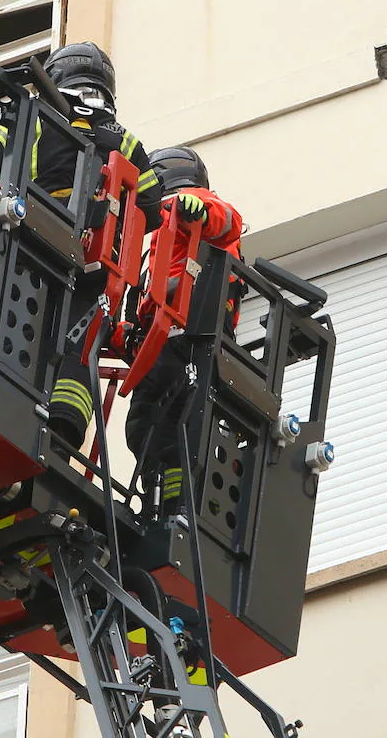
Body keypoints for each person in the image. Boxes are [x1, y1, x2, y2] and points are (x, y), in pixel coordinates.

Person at [0, 41, 163, 458]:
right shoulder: (123, 140)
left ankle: (1, 400)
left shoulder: (30, 117)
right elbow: (150, 205)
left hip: (32, 244)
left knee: (22, 326)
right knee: (80, 344)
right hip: (96, 260)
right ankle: (62, 434)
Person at [123, 146, 244, 517]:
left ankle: (181, 500)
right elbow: (141, 290)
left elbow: (227, 222)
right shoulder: (153, 238)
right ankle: (158, 495)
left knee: (185, 419)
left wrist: (200, 210)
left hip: (196, 327)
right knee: (142, 422)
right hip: (160, 339)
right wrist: (129, 328)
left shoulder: (199, 207)